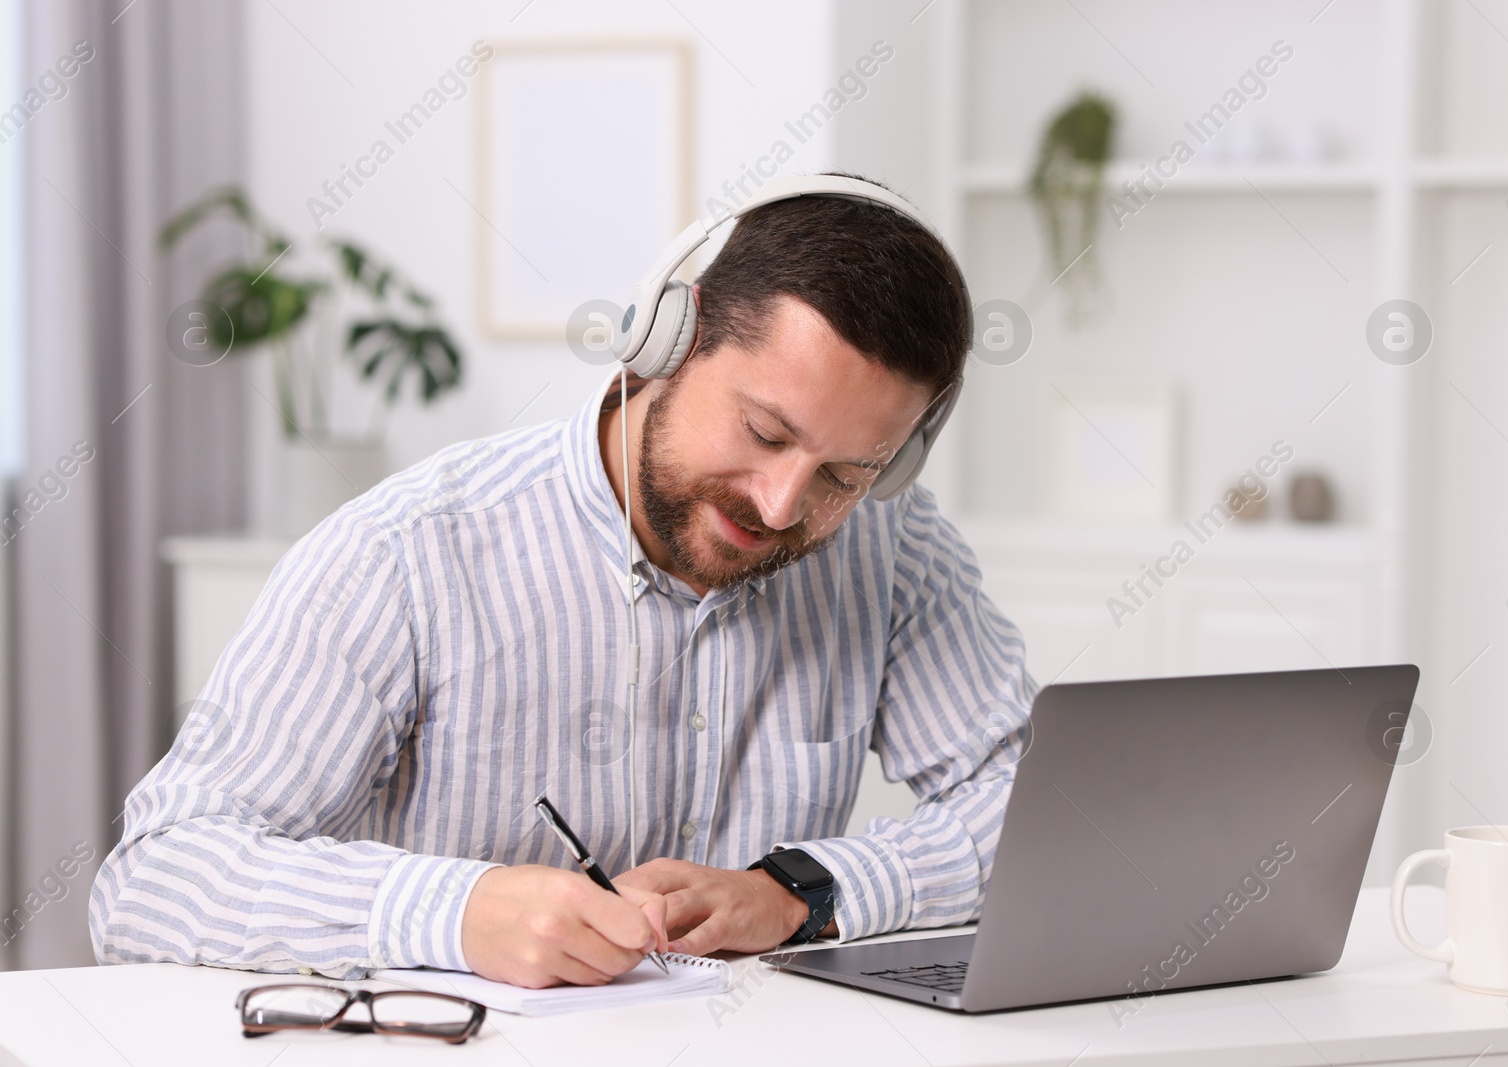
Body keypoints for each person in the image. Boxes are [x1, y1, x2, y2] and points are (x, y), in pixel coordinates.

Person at [89, 172, 1038, 989]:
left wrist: (800, 890)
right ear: (667, 338)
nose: (785, 505)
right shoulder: (410, 552)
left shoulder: (889, 546)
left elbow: (1036, 804)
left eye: (844, 474)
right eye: (763, 433)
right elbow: (155, 879)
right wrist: (455, 910)